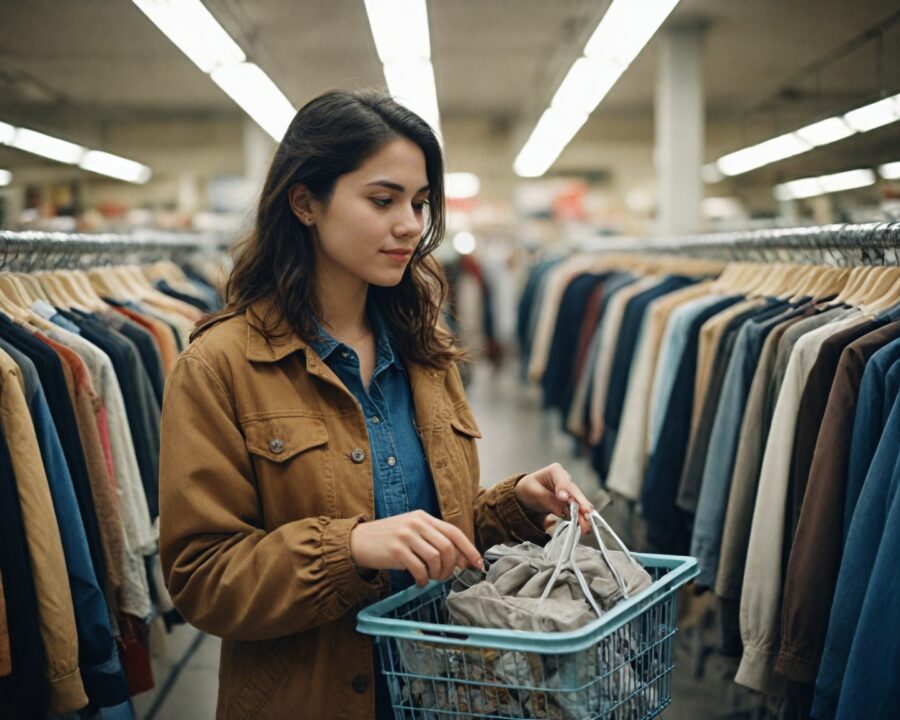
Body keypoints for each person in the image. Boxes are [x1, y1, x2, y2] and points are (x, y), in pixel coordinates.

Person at [158, 89, 593, 720]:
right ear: (305, 202)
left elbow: (429, 525)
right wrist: (349, 548)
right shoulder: (221, 366)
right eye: (382, 200)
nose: (411, 225)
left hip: (444, 693)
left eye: (419, 203)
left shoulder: (426, 350)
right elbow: (202, 579)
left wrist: (512, 504)